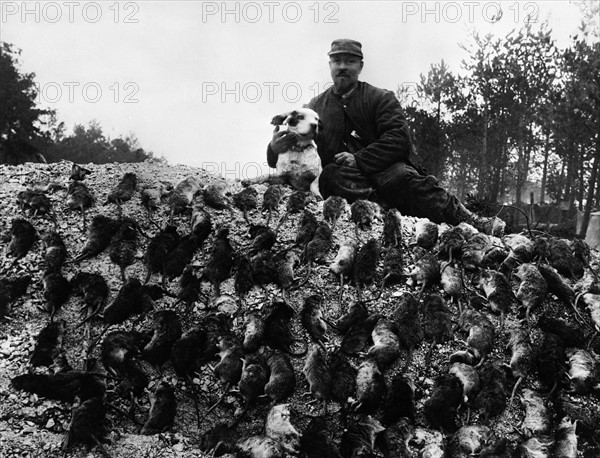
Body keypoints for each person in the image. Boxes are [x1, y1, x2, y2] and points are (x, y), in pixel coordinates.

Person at [266, 38, 505, 236]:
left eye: (349, 61)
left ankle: (470, 219)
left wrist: (359, 158)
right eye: (337, 61)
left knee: (402, 177)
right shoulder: (315, 106)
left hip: (384, 171)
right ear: (329, 65)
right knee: (331, 176)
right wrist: (274, 148)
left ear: (360, 66)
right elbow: (298, 142)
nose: (342, 67)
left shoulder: (380, 98)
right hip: (345, 179)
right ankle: (386, 207)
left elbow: (399, 139)